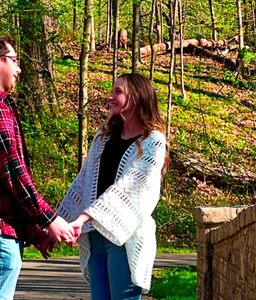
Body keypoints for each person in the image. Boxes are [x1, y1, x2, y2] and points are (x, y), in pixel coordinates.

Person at [0, 31, 75, 300]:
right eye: (14, 60)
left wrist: (33, 229)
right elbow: (13, 171)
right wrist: (49, 218)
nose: (19, 69)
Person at [57, 73, 170, 299]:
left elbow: (128, 187)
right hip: (96, 236)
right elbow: (83, 182)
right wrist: (59, 223)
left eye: (118, 91)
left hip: (126, 237)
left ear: (137, 97)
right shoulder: (103, 137)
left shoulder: (153, 142)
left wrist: (83, 218)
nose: (111, 96)